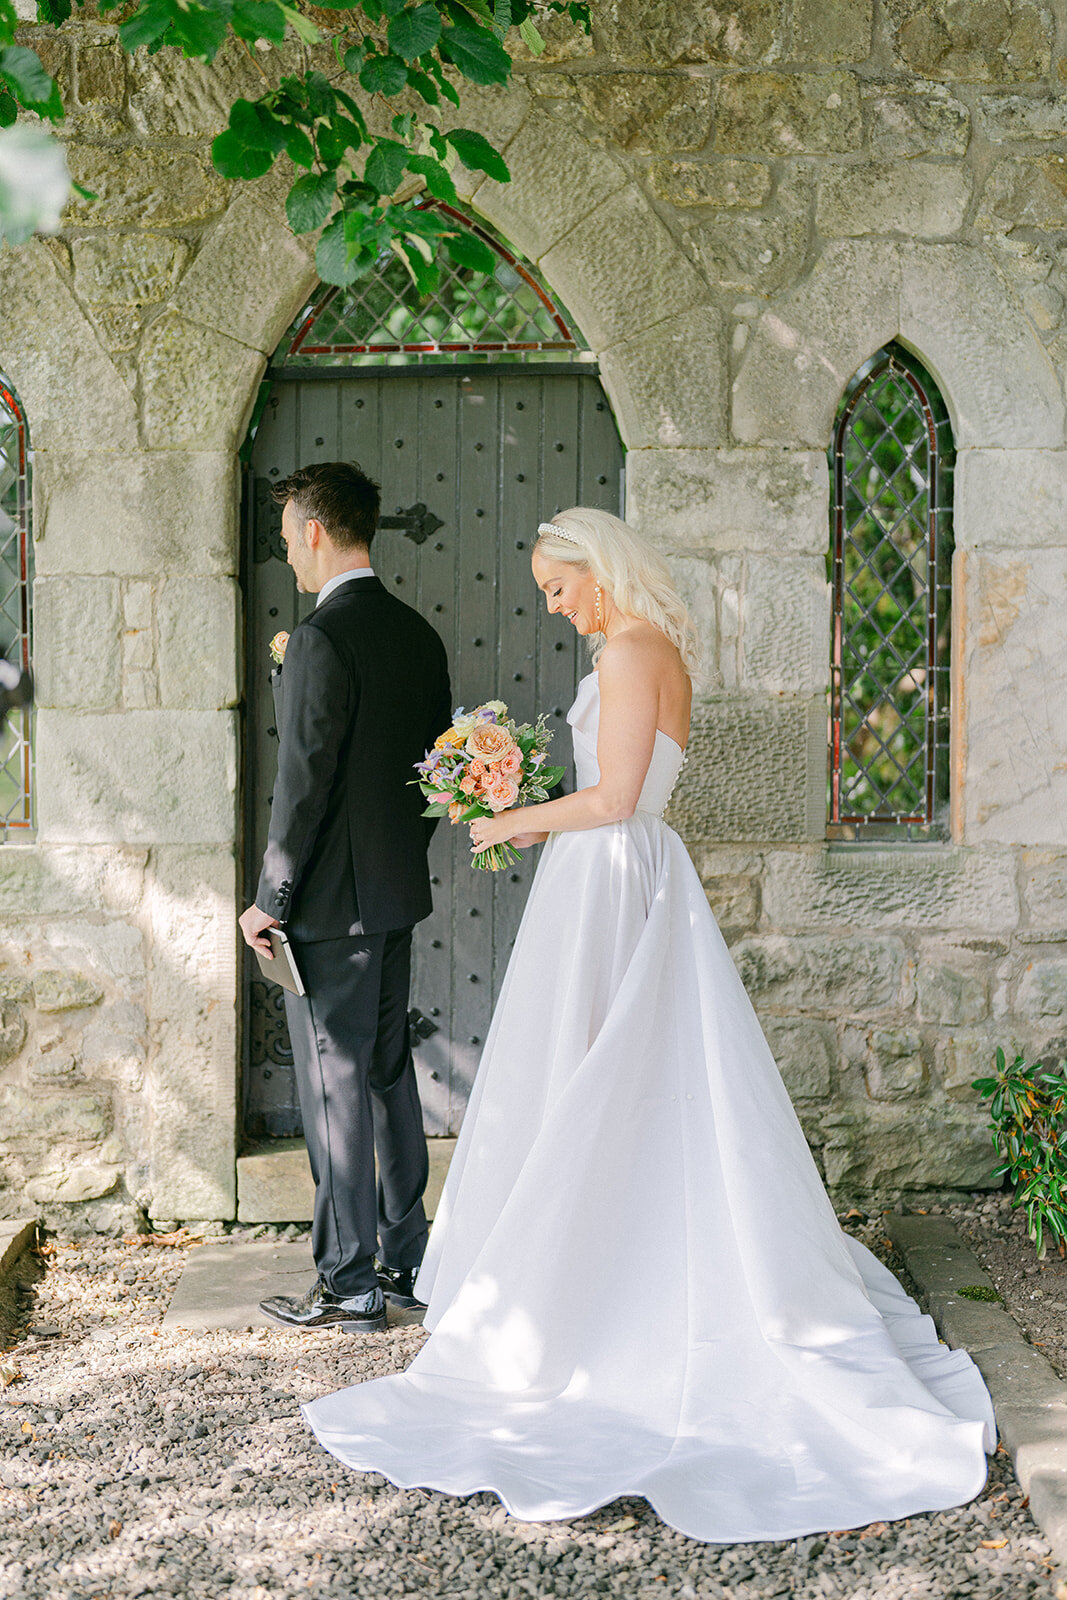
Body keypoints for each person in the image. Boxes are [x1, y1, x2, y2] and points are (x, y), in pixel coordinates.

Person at [300, 507, 995, 1540]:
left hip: (610, 875)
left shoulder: (629, 647)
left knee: (598, 1072)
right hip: (631, 875)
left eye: (557, 586)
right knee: (613, 1076)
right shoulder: (649, 646)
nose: (555, 606)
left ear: (598, 568)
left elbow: (616, 795)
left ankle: (592, 1292)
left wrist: (511, 816)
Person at [239, 461, 451, 1334]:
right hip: (395, 896)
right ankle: (405, 1263)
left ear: (317, 532)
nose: (287, 551)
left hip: (329, 910)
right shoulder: (416, 634)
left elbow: (303, 789)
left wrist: (270, 900)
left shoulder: (322, 640)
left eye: (289, 535)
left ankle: (348, 1284)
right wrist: (397, 867)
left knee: (335, 1088)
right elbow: (435, 780)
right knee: (388, 1075)